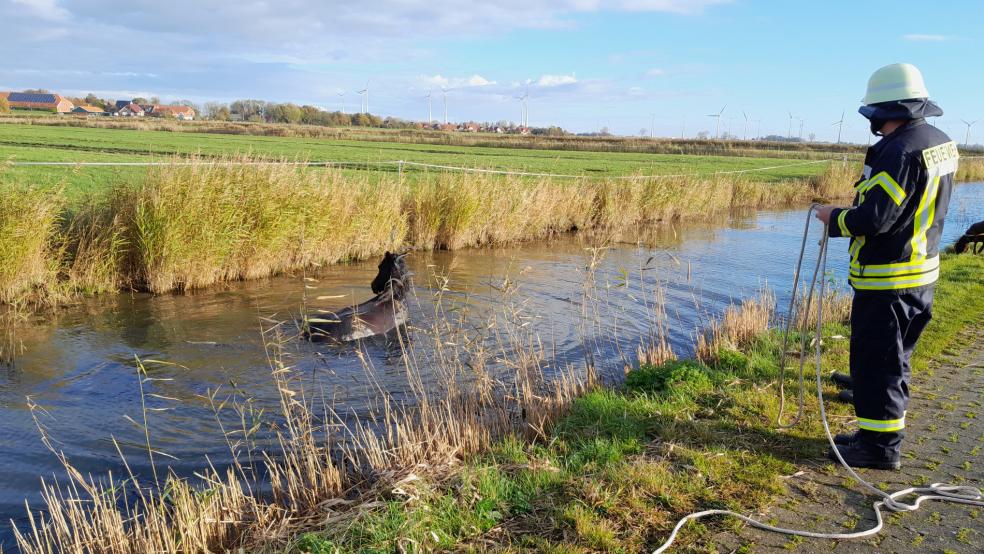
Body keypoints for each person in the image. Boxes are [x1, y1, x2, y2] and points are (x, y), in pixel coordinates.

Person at [814, 63, 957, 470]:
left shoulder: (898, 151)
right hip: (919, 271)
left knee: (881, 363)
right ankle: (873, 424)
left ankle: (879, 448)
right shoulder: (939, 140)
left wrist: (834, 217)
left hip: (890, 278)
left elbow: (875, 218)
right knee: (892, 357)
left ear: (883, 111)